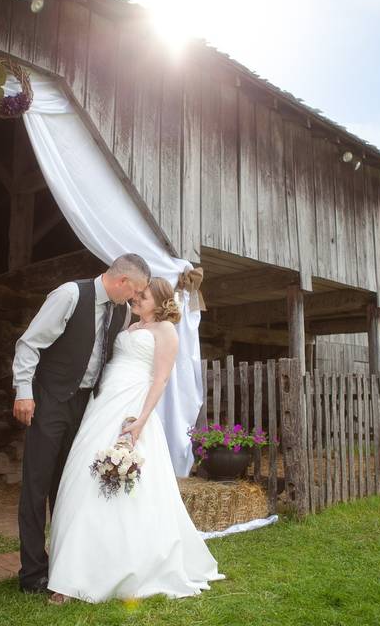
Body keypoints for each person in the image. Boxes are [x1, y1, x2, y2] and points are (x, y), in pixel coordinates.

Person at [46, 277, 224, 604]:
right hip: (102, 405)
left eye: (143, 296)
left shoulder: (166, 332)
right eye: (136, 295)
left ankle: (104, 571)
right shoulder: (129, 324)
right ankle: (71, 570)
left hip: (132, 408)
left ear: (160, 301)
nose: (136, 299)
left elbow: (161, 379)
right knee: (83, 477)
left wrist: (141, 420)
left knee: (119, 488)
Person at [13, 253, 151, 594]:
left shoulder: (120, 312)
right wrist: (23, 392)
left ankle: (63, 566)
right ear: (121, 282)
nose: (135, 299)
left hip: (85, 406)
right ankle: (32, 574)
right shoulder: (70, 296)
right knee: (37, 484)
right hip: (49, 400)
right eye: (135, 291)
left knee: (68, 485)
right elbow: (30, 343)